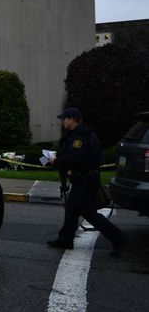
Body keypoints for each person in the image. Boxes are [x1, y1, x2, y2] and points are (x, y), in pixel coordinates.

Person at [47, 107, 127, 256]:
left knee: (88, 213)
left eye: (64, 119)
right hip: (83, 180)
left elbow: (75, 158)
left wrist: (56, 161)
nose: (62, 122)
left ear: (72, 119)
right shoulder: (79, 135)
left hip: (85, 181)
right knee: (72, 209)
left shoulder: (80, 138)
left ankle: (120, 239)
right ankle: (65, 239)